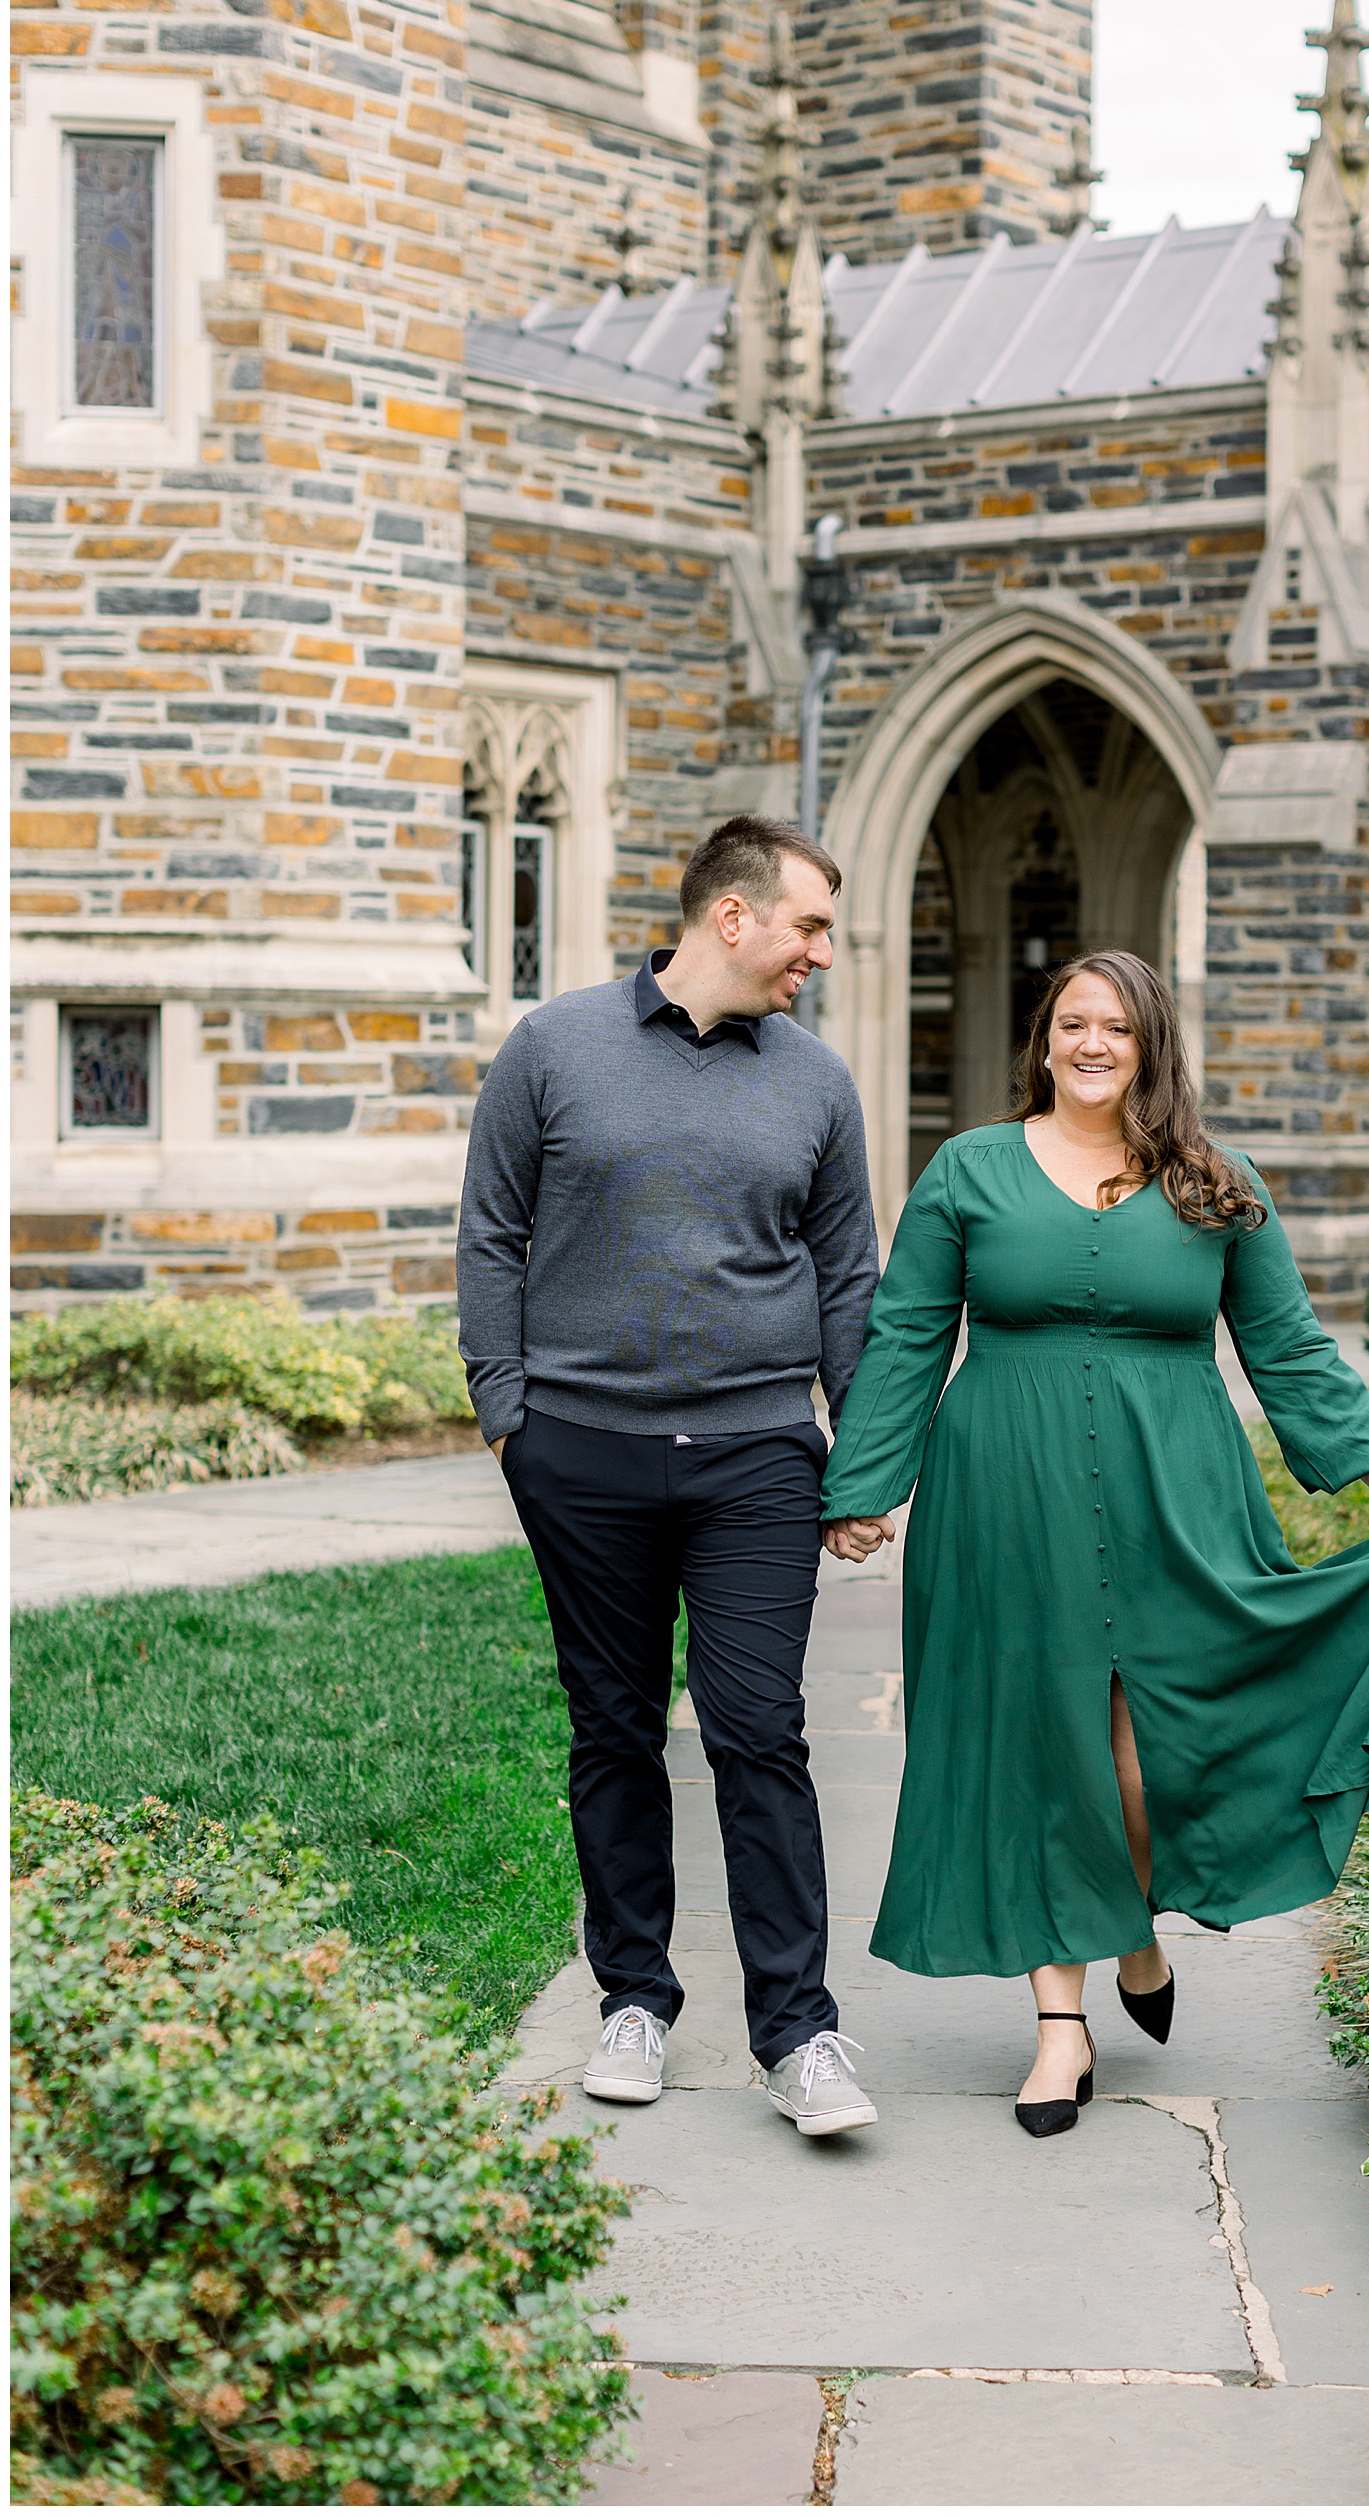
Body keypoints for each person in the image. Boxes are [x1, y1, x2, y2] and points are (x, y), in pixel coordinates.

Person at [819, 950, 1369, 2138]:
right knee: (1039, 1745)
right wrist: (865, 1484)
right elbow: (903, 1332)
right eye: (1070, 1022)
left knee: (1150, 1754)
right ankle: (1062, 2024)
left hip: (1179, 1493)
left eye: (1115, 1025)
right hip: (1006, 1490)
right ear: (1042, 1040)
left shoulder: (1215, 1180)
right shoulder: (971, 1169)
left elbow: (1289, 1343)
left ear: (1152, 1044)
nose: (1091, 1042)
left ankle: (1137, 1930)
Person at [457, 815, 882, 2139]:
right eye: (810, 924)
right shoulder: (553, 1048)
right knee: (614, 1729)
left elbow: (848, 1273)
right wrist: (506, 1411)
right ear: (736, 918)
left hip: (758, 1451)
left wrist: (859, 1454)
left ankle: (798, 2031)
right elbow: (491, 1224)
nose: (822, 950)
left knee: (760, 1728)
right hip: (580, 1452)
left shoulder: (816, 1079)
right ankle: (633, 1998)